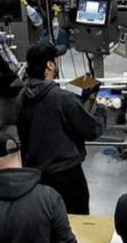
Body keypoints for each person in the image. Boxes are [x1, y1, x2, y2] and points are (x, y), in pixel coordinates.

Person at [16, 41, 106, 214]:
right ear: (50, 65)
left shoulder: (22, 97)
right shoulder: (62, 99)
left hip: (36, 179)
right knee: (75, 223)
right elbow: (92, 130)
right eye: (56, 59)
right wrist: (101, 108)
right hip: (67, 179)